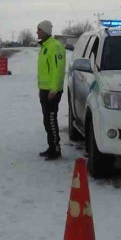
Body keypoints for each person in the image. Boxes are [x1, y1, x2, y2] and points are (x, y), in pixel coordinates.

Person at [36, 20, 66, 160]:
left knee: (51, 120)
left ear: (45, 31)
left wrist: (54, 89)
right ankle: (51, 147)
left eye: (39, 29)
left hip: (52, 91)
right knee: (47, 120)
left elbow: (58, 70)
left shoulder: (55, 47)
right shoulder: (45, 47)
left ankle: (56, 149)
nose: (37, 32)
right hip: (45, 90)